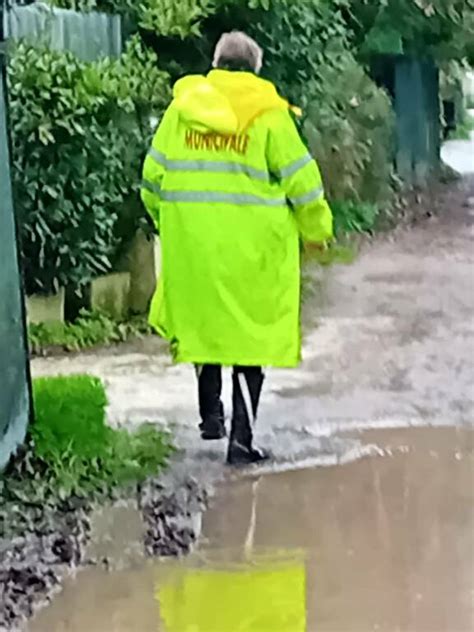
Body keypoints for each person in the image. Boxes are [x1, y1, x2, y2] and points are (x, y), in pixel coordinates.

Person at [141, 31, 333, 466]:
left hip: (195, 246)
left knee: (206, 327)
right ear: (255, 68)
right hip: (253, 251)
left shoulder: (181, 111)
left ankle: (211, 416)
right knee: (249, 342)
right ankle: (241, 443)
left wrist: (169, 222)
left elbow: (152, 178)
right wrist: (316, 230)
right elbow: (302, 180)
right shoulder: (268, 114)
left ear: (216, 63)